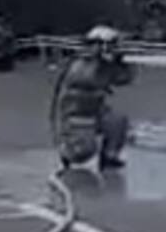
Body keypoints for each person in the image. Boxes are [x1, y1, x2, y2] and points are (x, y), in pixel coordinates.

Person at [54, 25, 135, 171]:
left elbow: (125, 79)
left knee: (118, 121)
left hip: (95, 111)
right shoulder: (79, 64)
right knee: (83, 153)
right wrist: (105, 62)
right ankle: (66, 152)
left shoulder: (105, 65)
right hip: (74, 115)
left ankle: (109, 156)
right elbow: (89, 79)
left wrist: (122, 62)